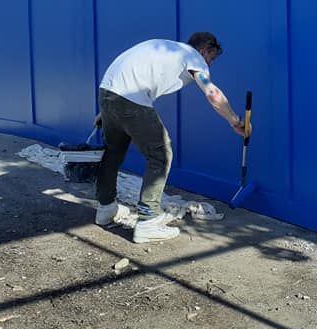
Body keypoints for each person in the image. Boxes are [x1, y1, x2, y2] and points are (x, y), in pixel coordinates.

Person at [94, 32, 247, 243]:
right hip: (130, 100)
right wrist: (234, 120)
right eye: (211, 59)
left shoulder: (165, 48)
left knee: (113, 152)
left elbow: (126, 76)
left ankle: (105, 209)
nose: (209, 65)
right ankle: (148, 221)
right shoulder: (193, 57)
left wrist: (106, 111)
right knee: (161, 155)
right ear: (204, 50)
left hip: (108, 93)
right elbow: (212, 93)